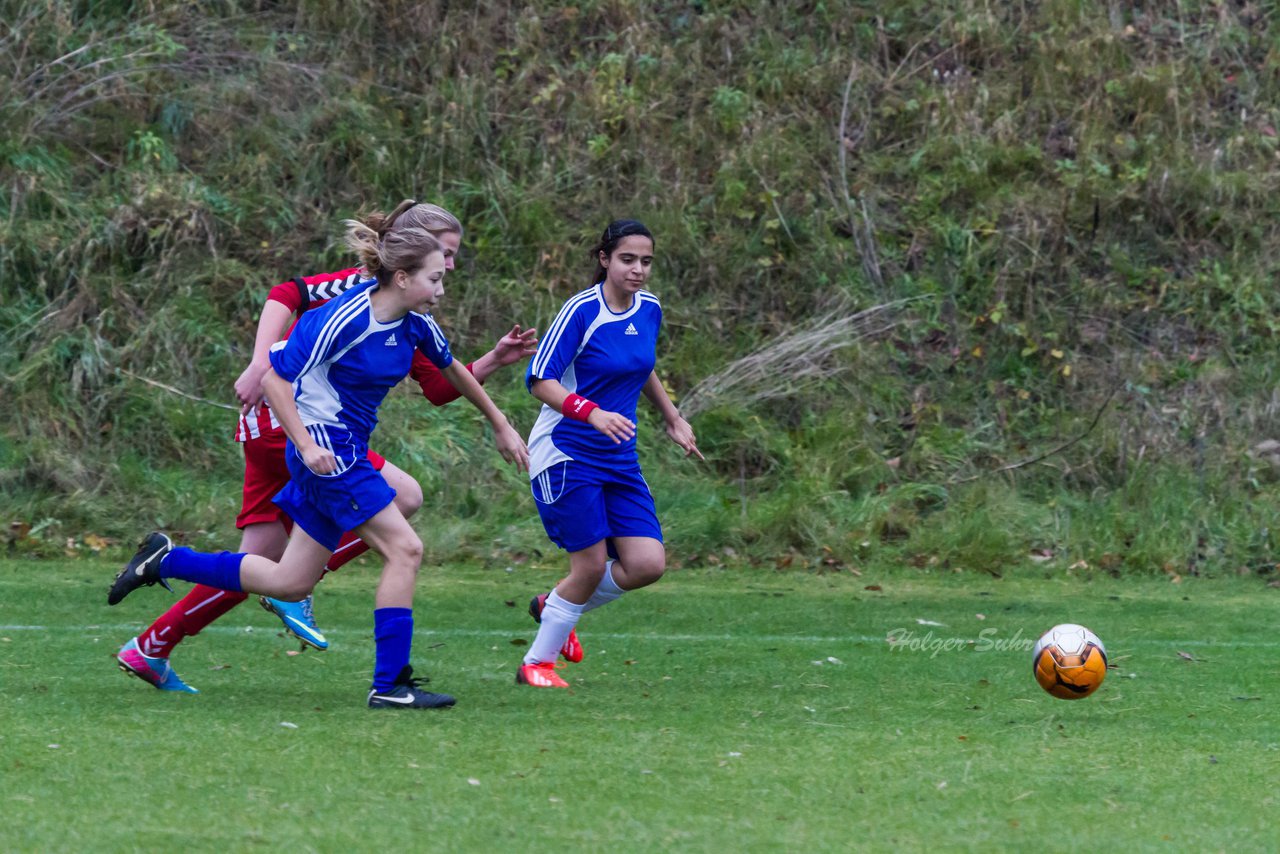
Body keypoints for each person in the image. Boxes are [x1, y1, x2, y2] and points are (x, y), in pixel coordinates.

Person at [109, 202, 530, 709]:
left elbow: (450, 372)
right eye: (439, 272)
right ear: (402, 273)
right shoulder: (344, 315)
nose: (445, 285)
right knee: (406, 548)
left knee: (288, 580)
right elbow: (274, 377)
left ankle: (166, 560)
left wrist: (502, 424)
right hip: (327, 450)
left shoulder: (416, 321)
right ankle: (390, 685)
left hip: (338, 452)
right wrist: (307, 446)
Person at [517, 219, 702, 689]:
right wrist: (591, 413)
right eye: (627, 260)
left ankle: (556, 606)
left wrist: (672, 417)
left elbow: (642, 366)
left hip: (619, 458)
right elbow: (540, 379)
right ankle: (536, 664)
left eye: (646, 261)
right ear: (604, 260)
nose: (638, 270)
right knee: (591, 566)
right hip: (567, 453)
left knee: (646, 564)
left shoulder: (650, 308)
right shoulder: (582, 310)